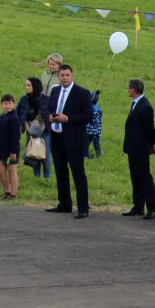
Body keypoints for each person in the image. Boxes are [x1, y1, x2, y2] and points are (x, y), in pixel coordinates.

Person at [45, 64, 93, 219]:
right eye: (62, 75)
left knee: (78, 173)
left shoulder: (82, 93)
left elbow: (88, 116)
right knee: (60, 172)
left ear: (72, 75)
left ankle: (83, 207)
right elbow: (49, 108)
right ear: (58, 76)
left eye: (67, 75)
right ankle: (64, 204)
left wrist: (68, 118)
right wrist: (50, 117)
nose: (65, 78)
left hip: (74, 139)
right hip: (57, 137)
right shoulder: (55, 90)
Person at [119, 79, 155, 218]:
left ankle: (152, 208)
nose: (127, 90)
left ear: (133, 90)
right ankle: (138, 205)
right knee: (135, 176)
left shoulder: (145, 106)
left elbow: (149, 128)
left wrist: (152, 143)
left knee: (144, 176)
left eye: (128, 88)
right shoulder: (136, 104)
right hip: (133, 148)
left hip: (141, 148)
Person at [17, 77, 51, 180]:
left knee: (45, 153)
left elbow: (51, 114)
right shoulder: (23, 100)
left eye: (29, 85)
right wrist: (25, 125)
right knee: (33, 152)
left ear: (35, 87)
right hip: (30, 131)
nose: (26, 87)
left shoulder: (46, 100)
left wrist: (45, 125)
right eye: (26, 85)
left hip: (45, 131)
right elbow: (18, 114)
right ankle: (36, 177)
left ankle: (46, 178)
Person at [0, 94, 21, 200]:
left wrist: (13, 152)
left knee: (11, 171)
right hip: (0, 150)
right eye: (5, 103)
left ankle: (13, 194)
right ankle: (7, 192)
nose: (7, 105)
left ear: (13, 104)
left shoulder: (14, 118)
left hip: (10, 152)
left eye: (10, 103)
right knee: (0, 170)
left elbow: (16, 136)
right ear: (1, 104)